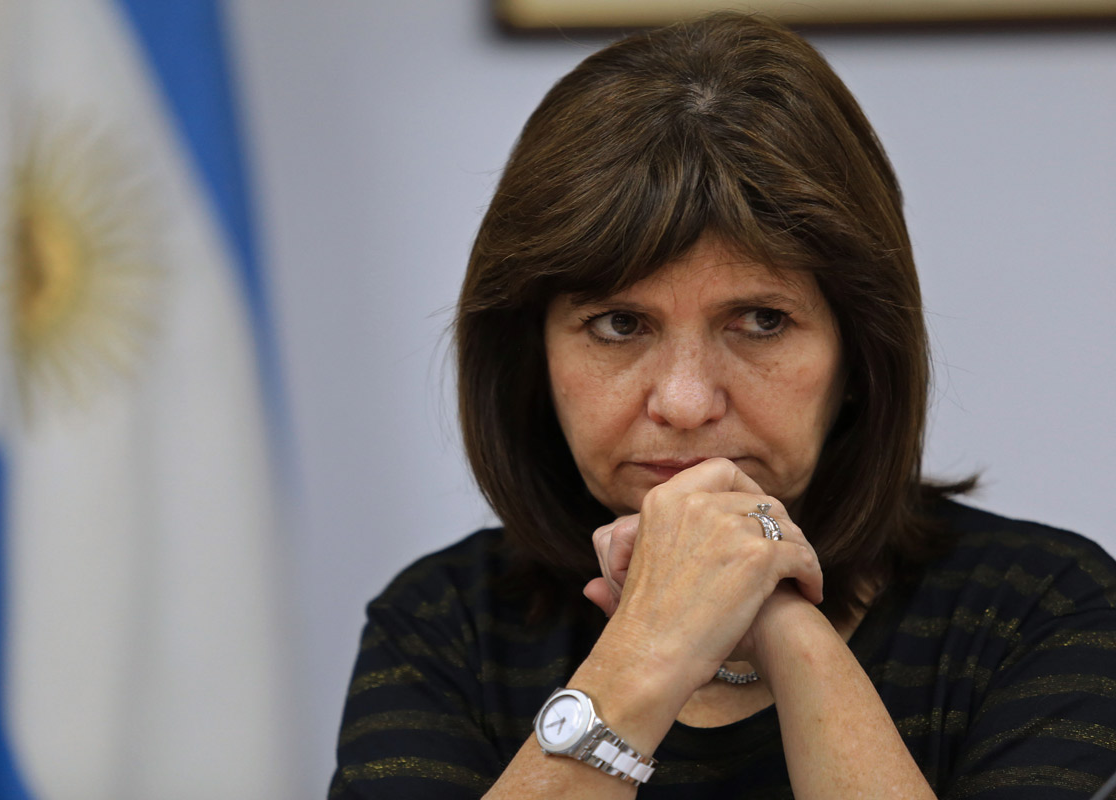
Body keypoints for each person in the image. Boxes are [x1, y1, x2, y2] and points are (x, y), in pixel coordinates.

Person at [331, 12, 1116, 799]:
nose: (683, 403)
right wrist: (649, 650)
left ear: (859, 355)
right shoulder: (445, 628)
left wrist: (785, 625)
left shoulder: (1046, 612)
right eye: (618, 325)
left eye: (762, 321)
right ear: (530, 356)